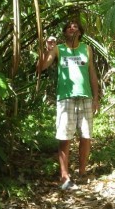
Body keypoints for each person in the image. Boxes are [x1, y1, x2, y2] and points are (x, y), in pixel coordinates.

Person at [37, 19, 100, 190]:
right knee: (65, 137)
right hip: (66, 98)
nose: (72, 29)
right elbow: (41, 67)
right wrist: (47, 49)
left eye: (76, 27)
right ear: (65, 32)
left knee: (86, 136)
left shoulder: (86, 48)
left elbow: (92, 72)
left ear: (80, 32)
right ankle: (65, 177)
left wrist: (96, 97)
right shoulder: (59, 49)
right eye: (69, 27)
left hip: (85, 96)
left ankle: (82, 172)